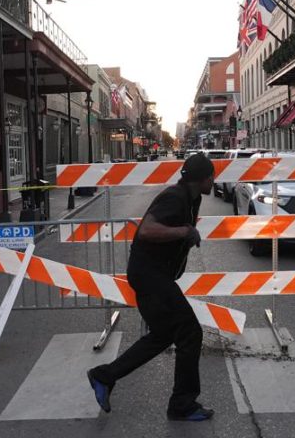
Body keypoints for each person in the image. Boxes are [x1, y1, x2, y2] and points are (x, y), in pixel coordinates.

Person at [87, 153, 215, 422]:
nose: (213, 181)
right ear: (200, 179)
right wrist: (184, 233)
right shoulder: (175, 197)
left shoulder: (193, 198)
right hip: (149, 275)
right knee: (190, 332)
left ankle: (105, 375)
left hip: (155, 275)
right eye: (210, 176)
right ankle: (182, 405)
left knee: (163, 335)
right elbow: (146, 230)